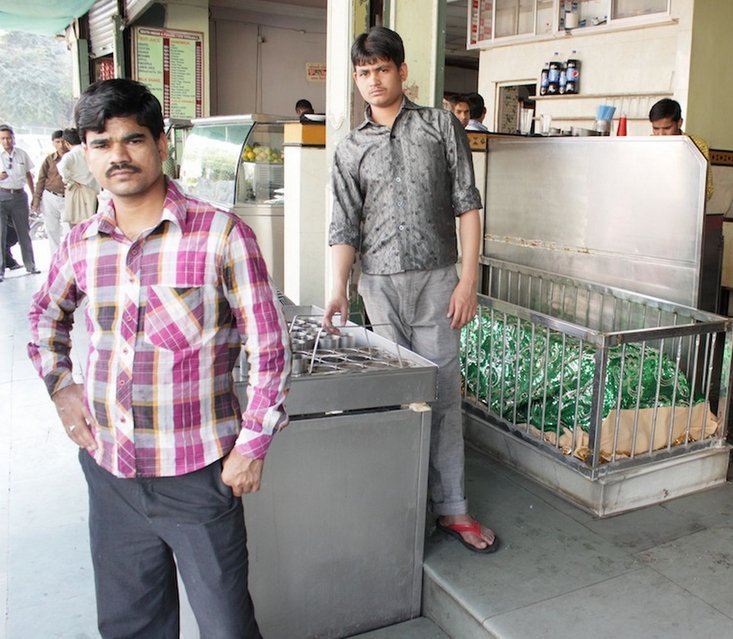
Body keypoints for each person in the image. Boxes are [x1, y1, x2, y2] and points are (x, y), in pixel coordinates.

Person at [27, 78, 290, 637]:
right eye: (101, 144)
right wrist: (61, 386)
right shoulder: (81, 242)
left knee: (226, 625)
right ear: (85, 154)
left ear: (161, 144)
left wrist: (252, 446)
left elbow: (270, 348)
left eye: (133, 139)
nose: (118, 156)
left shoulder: (221, 234)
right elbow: (45, 318)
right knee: (131, 625)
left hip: (197, 474)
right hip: (110, 470)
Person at [323, 26, 498, 553]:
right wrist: (338, 289)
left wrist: (468, 280)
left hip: (438, 281)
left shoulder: (440, 126)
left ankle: (453, 509)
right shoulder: (350, 147)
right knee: (397, 400)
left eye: (382, 69)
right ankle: (403, 508)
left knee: (441, 394)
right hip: (377, 286)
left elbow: (467, 203)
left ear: (401, 71)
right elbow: (344, 225)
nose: (373, 80)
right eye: (363, 72)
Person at [648, 98, 714, 201]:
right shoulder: (647, 145)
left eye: (667, 128)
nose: (661, 134)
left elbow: (707, 188)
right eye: (656, 129)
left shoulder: (697, 145)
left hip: (684, 204)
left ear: (679, 123)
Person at [0, 124, 39, 280]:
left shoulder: (22, 154)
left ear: (14, 138)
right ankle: (1, 270)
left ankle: (31, 265)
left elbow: (29, 175)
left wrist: (34, 195)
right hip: (2, 195)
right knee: (1, 234)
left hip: (19, 196)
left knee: (24, 232)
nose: (6, 141)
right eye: (3, 138)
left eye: (9, 138)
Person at [32, 129, 68, 252]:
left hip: (68, 197)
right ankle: (55, 257)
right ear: (53, 143)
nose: (61, 145)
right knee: (52, 229)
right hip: (50, 196)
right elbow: (41, 180)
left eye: (63, 141)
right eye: (57, 142)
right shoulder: (49, 159)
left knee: (69, 229)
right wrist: (36, 200)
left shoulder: (73, 157)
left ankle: (68, 256)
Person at [59, 128, 100, 227]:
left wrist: (68, 180)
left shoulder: (70, 155)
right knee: (92, 222)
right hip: (94, 190)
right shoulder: (90, 152)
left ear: (67, 143)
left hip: (78, 190)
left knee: (77, 223)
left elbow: (61, 168)